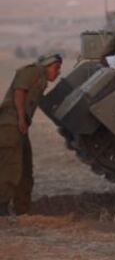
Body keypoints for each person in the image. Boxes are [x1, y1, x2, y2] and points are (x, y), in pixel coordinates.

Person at [0, 53, 62, 215]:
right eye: (56, 68)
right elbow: (19, 92)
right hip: (10, 124)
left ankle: (22, 209)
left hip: (20, 126)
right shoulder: (34, 71)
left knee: (26, 169)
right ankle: (2, 206)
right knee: (11, 166)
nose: (58, 72)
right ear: (47, 65)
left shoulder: (41, 78)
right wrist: (21, 118)